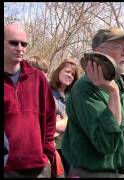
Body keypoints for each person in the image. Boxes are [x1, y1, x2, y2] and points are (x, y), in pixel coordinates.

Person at [61, 27, 124, 178]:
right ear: (99, 51)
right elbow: (107, 144)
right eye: (118, 47)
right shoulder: (85, 88)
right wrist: (113, 93)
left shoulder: (115, 83)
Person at [4, 23, 56, 177]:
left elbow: (50, 117)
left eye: (24, 44)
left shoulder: (38, 78)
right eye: (14, 43)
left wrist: (47, 153)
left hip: (39, 167)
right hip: (7, 168)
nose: (20, 48)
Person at [49, 59, 79, 176]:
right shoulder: (48, 92)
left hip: (70, 148)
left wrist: (64, 122)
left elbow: (73, 122)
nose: (69, 76)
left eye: (72, 74)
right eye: (67, 71)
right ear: (58, 72)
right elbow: (45, 124)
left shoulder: (72, 97)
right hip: (53, 148)